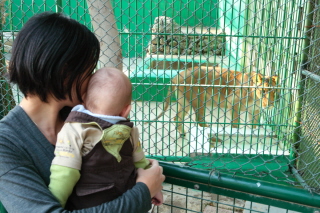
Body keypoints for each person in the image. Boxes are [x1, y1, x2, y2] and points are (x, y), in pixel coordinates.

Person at [0, 12, 165, 212]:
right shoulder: (6, 144)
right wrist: (143, 191)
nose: (93, 78)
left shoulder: (87, 117)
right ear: (65, 71)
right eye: (89, 70)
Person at [49, 67, 163, 210]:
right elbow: (141, 164)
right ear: (126, 110)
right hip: (127, 203)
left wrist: (55, 204)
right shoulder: (130, 132)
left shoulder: (74, 129)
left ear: (83, 98)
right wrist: (153, 190)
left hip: (86, 206)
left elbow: (65, 171)